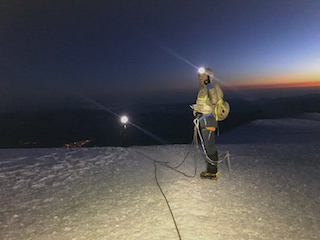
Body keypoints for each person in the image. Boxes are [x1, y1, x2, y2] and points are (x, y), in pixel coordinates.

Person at [192, 67, 229, 180]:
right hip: (203, 119)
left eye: (202, 76)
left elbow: (214, 100)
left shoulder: (214, 87)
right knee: (207, 146)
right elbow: (203, 104)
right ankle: (211, 170)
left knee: (209, 146)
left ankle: (213, 172)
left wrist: (209, 85)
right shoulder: (203, 89)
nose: (199, 78)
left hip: (209, 120)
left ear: (208, 76)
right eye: (199, 76)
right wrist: (196, 111)